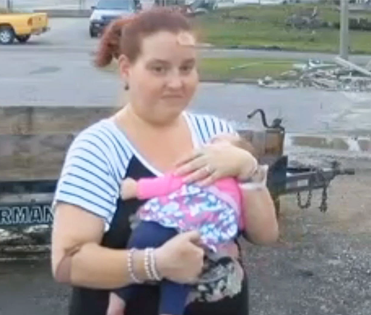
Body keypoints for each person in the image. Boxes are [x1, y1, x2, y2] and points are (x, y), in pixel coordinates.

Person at [50, 7, 279, 315]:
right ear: (126, 69)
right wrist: (155, 264)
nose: (176, 82)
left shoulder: (217, 135)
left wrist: (248, 169)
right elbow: (66, 262)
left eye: (187, 68)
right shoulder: (99, 148)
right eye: (159, 69)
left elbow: (265, 235)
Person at [106, 133, 269, 315]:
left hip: (195, 242)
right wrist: (137, 188)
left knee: (182, 276)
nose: (208, 145)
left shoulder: (239, 184)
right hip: (168, 221)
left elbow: (247, 221)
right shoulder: (197, 171)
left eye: (217, 143)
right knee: (140, 243)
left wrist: (248, 168)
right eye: (209, 143)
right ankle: (117, 301)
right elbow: (169, 184)